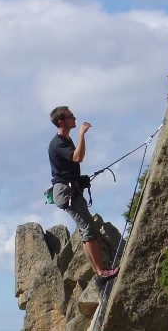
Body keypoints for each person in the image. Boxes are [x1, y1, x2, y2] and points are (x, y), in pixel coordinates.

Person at [48, 106, 120, 282]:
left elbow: (71, 164)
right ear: (61, 122)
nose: (75, 118)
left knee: (86, 230)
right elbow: (77, 157)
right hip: (66, 192)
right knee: (88, 230)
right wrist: (81, 134)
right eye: (70, 116)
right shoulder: (58, 143)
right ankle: (101, 272)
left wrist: (79, 179)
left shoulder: (65, 140)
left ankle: (99, 272)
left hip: (69, 189)